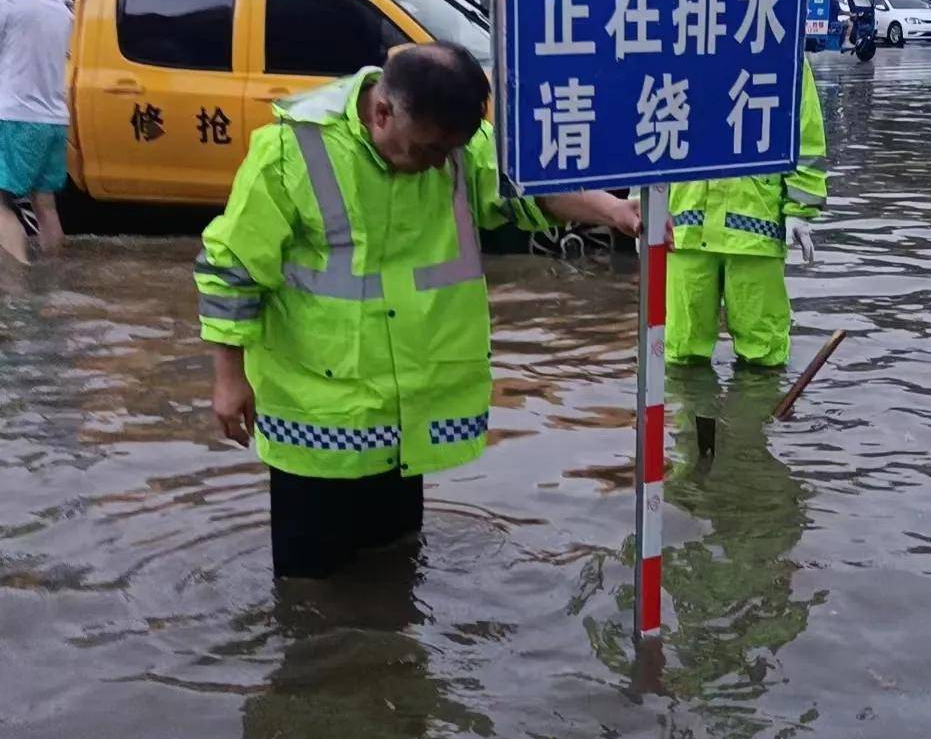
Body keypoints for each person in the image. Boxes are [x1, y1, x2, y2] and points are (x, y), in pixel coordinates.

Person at [196, 44, 642, 577]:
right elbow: (232, 267)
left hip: (404, 412)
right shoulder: (292, 151)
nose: (437, 164)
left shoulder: (455, 148)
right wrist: (229, 377)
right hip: (317, 410)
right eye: (426, 150)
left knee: (395, 564)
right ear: (382, 112)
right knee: (310, 584)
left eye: (449, 150)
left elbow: (527, 193)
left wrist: (610, 208)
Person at [665, 59, 827, 370]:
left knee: (763, 353)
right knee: (681, 352)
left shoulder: (781, 47)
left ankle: (757, 417)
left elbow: (804, 132)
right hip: (684, 224)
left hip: (755, 228)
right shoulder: (677, 36)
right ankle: (690, 415)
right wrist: (641, 206)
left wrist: (799, 209)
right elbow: (644, 128)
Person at [0, 0, 73, 265]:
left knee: (1, 200)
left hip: (16, 115)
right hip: (54, 119)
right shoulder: (62, 10)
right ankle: (55, 278)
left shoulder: (8, 3)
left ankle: (19, 284)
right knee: (45, 203)